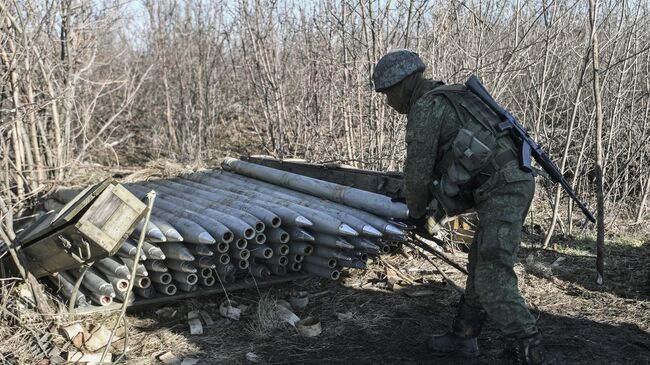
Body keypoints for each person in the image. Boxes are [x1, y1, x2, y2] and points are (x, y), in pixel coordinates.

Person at [372, 49, 545, 365]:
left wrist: (416, 213)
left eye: (387, 94)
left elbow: (417, 172)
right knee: (480, 262)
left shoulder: (427, 107)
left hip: (503, 190)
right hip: (509, 184)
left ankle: (526, 345)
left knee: (492, 269)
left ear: (402, 85)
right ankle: (464, 337)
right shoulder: (453, 97)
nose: (388, 103)